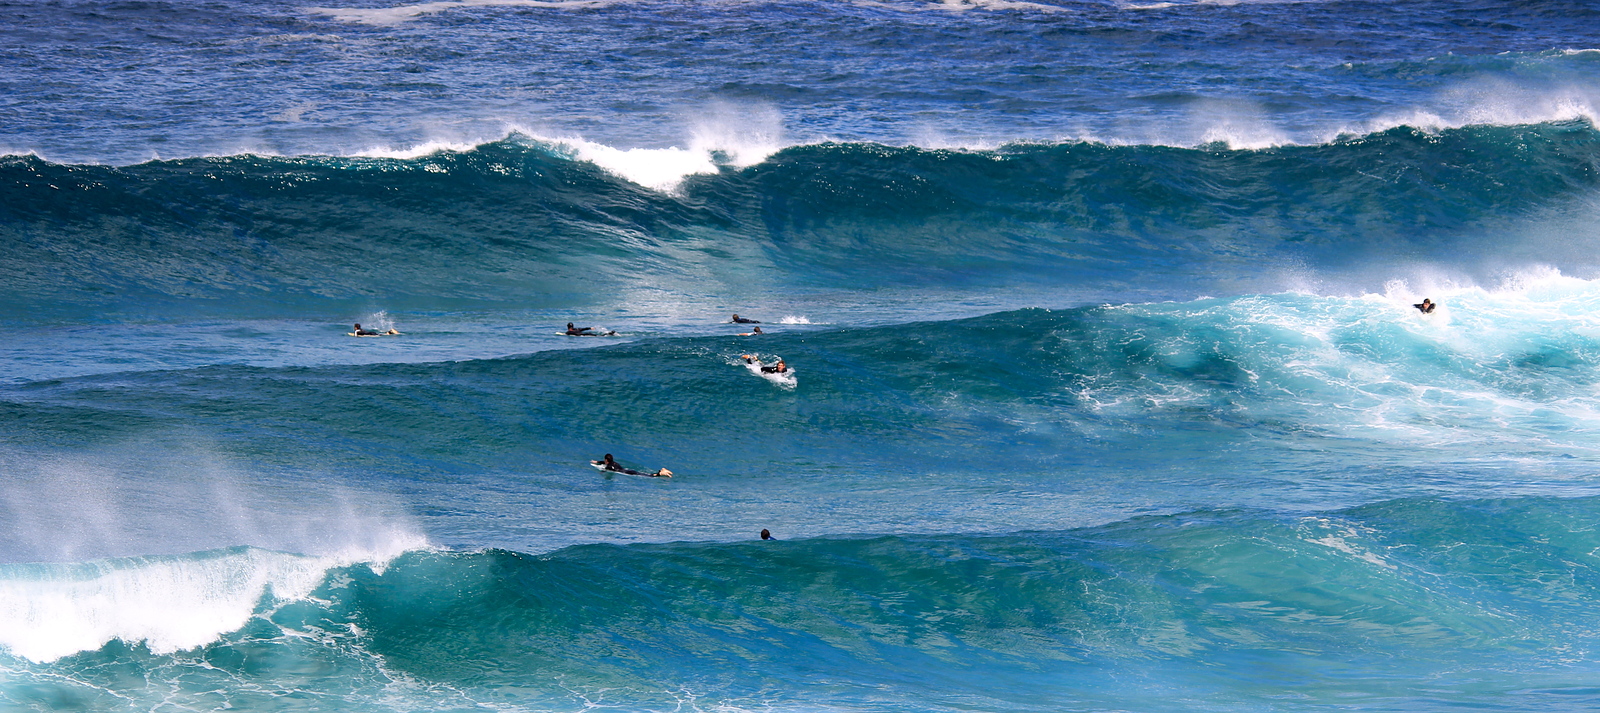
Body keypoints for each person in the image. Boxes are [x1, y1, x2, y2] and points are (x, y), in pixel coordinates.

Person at [591, 453, 672, 477]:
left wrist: (599, 473)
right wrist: (597, 461)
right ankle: (660, 471)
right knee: (644, 474)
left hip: (628, 473)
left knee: (647, 476)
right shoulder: (613, 463)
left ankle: (660, 473)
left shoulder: (609, 466)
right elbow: (604, 462)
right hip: (629, 470)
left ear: (606, 460)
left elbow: (604, 470)